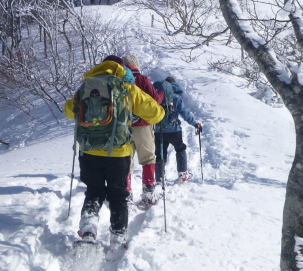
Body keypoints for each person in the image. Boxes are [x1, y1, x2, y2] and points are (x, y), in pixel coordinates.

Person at [65, 55, 164, 248]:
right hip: (118, 152)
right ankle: (117, 238)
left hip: (88, 150)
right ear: (121, 68)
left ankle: (88, 229)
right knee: (118, 195)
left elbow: (69, 111)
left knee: (93, 191)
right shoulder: (126, 87)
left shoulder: (86, 86)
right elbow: (155, 114)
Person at [122, 54, 165, 205]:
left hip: (124, 126)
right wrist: (162, 93)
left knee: (126, 160)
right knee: (147, 158)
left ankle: (126, 194)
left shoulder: (119, 81)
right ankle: (148, 193)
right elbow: (155, 101)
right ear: (136, 65)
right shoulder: (142, 79)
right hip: (143, 124)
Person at [155, 76, 202, 184]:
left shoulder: (157, 96)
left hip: (159, 130)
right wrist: (195, 123)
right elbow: (185, 113)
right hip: (174, 130)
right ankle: (182, 174)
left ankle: (159, 177)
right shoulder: (177, 97)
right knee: (180, 149)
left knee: (160, 153)